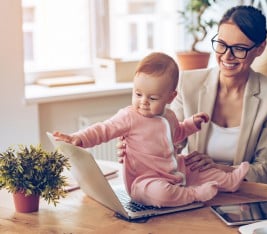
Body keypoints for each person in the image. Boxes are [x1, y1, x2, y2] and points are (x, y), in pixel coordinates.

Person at [53, 52, 249, 207]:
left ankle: (229, 181)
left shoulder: (169, 115)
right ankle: (194, 195)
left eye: (152, 98)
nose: (143, 102)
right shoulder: (129, 116)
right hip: (144, 180)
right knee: (160, 193)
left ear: (170, 97)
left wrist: (191, 124)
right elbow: (104, 129)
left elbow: (177, 133)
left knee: (200, 170)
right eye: (138, 94)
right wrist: (79, 138)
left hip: (174, 169)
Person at [118, 5, 267, 184]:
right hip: (193, 187)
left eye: (239, 48)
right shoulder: (188, 83)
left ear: (260, 49)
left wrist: (219, 169)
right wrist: (139, 147)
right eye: (221, 44)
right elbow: (170, 141)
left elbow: (265, 169)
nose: (226, 56)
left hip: (242, 193)